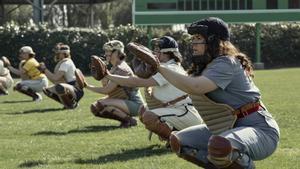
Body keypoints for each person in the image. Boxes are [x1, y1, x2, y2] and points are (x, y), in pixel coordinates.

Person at [151, 17, 280, 169]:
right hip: (226, 127)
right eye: (193, 38)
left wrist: (158, 67)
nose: (193, 43)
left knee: (220, 146)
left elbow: (196, 87)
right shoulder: (205, 67)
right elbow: (188, 85)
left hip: (259, 129)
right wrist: (151, 68)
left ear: (214, 41)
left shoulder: (226, 62)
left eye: (198, 38)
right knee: (178, 141)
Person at [105, 36, 203, 141]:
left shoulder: (169, 68)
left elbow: (136, 82)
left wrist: (108, 75)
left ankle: (179, 142)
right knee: (143, 110)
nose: (153, 52)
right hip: (177, 110)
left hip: (186, 112)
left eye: (157, 49)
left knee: (149, 116)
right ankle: (174, 132)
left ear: (166, 53)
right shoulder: (165, 67)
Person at [86, 40, 144, 128]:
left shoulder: (121, 69)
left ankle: (129, 121)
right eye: (105, 51)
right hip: (125, 101)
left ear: (117, 52)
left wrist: (86, 86)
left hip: (135, 104)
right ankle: (126, 120)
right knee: (95, 108)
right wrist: (101, 73)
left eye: (108, 51)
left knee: (100, 104)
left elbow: (106, 90)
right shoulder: (114, 68)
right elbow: (106, 86)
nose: (106, 54)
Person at [40, 43, 84, 109]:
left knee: (59, 87)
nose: (57, 55)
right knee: (47, 90)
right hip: (71, 87)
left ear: (63, 54)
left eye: (58, 53)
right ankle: (68, 104)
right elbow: (55, 80)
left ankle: (71, 104)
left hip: (75, 89)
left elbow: (55, 78)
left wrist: (44, 69)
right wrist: (44, 71)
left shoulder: (66, 63)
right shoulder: (65, 62)